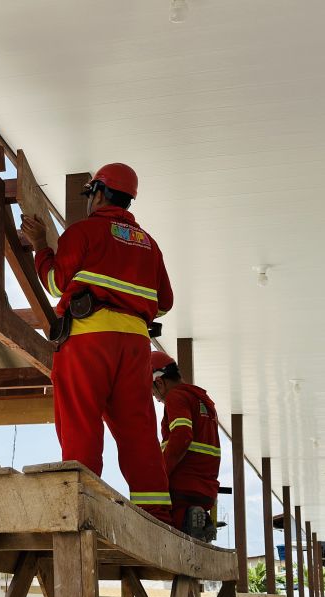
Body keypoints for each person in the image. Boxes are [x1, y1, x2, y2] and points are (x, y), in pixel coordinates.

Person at [20, 163, 174, 524]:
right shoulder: (149, 244)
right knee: (138, 432)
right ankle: (156, 515)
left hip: (89, 340)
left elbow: (57, 284)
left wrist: (41, 246)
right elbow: (164, 302)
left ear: (99, 192)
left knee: (81, 422)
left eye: (90, 194)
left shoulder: (84, 232)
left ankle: (81, 505)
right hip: (136, 346)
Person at [151, 351, 220, 541]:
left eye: (153, 391)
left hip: (183, 481)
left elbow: (182, 436)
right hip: (206, 486)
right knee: (191, 528)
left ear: (159, 382)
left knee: (174, 532)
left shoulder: (176, 397)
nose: (155, 398)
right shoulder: (203, 401)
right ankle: (200, 518)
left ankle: (191, 518)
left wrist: (161, 473)